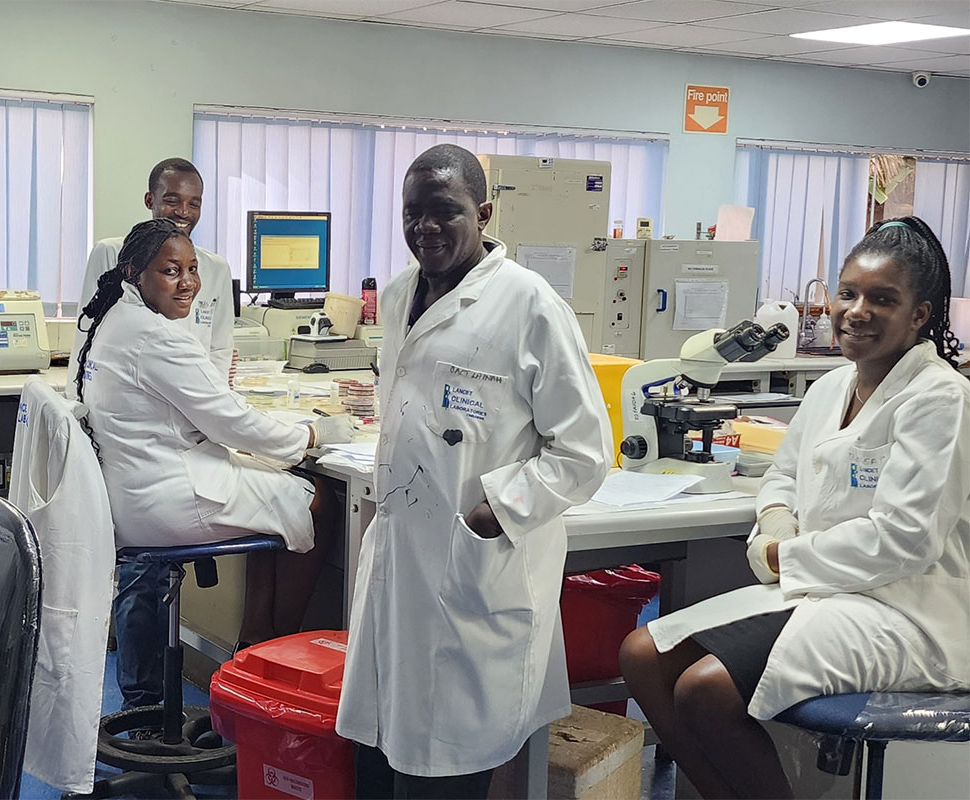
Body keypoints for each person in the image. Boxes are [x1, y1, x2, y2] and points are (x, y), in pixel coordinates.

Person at [620, 216, 970, 800]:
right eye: (848, 293)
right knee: (643, 656)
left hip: (907, 611)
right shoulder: (831, 387)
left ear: (920, 315)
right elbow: (783, 474)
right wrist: (774, 522)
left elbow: (904, 540)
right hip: (827, 591)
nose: (856, 311)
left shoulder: (940, 399)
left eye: (883, 299)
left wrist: (782, 555)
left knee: (705, 690)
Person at [335, 144, 613, 799]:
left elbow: (582, 452)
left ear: (484, 214)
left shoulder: (530, 306)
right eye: (412, 213)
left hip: (474, 562)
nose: (425, 227)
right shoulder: (399, 294)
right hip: (403, 552)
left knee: (449, 766)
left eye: (445, 211)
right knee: (387, 752)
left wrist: (496, 511)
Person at [76, 219, 349, 690]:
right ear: (135, 273)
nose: (188, 283)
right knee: (318, 502)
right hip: (164, 498)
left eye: (192, 269)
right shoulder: (155, 337)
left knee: (275, 494)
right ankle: (276, 648)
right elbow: (230, 421)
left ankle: (253, 639)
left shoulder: (114, 319)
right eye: (170, 271)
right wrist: (309, 436)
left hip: (131, 491)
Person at [68, 158, 236, 711]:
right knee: (142, 568)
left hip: (192, 428)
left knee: (159, 558)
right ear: (150, 201)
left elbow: (218, 353)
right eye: (171, 200)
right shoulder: (114, 254)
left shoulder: (213, 268)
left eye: (193, 203)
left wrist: (209, 416)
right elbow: (87, 339)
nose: (183, 212)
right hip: (136, 434)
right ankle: (142, 704)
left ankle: (225, 678)